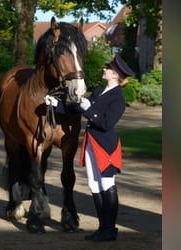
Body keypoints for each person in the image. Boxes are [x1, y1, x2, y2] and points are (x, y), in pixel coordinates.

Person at [45, 54, 135, 242]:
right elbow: (76, 108)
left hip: (106, 145)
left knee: (107, 184)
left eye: (108, 69)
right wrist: (56, 105)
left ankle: (110, 230)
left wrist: (88, 108)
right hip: (91, 143)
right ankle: (102, 229)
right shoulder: (100, 90)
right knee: (94, 185)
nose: (104, 70)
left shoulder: (118, 98)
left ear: (115, 75)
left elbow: (106, 123)